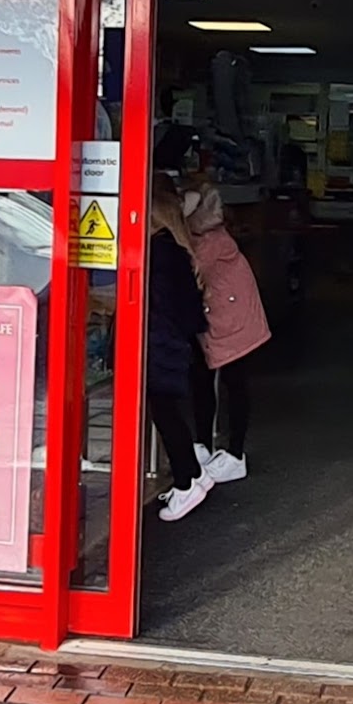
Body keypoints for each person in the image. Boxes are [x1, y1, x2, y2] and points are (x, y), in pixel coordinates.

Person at [183, 180, 271, 484]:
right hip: (216, 321)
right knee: (204, 379)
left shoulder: (210, 242)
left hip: (233, 323)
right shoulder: (207, 236)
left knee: (234, 383)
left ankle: (235, 454)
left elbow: (189, 275)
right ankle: (205, 445)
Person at [145, 175, 210, 521]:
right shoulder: (176, 249)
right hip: (175, 343)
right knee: (168, 414)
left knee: (166, 416)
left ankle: (187, 482)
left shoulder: (157, 254)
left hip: (161, 343)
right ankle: (194, 476)